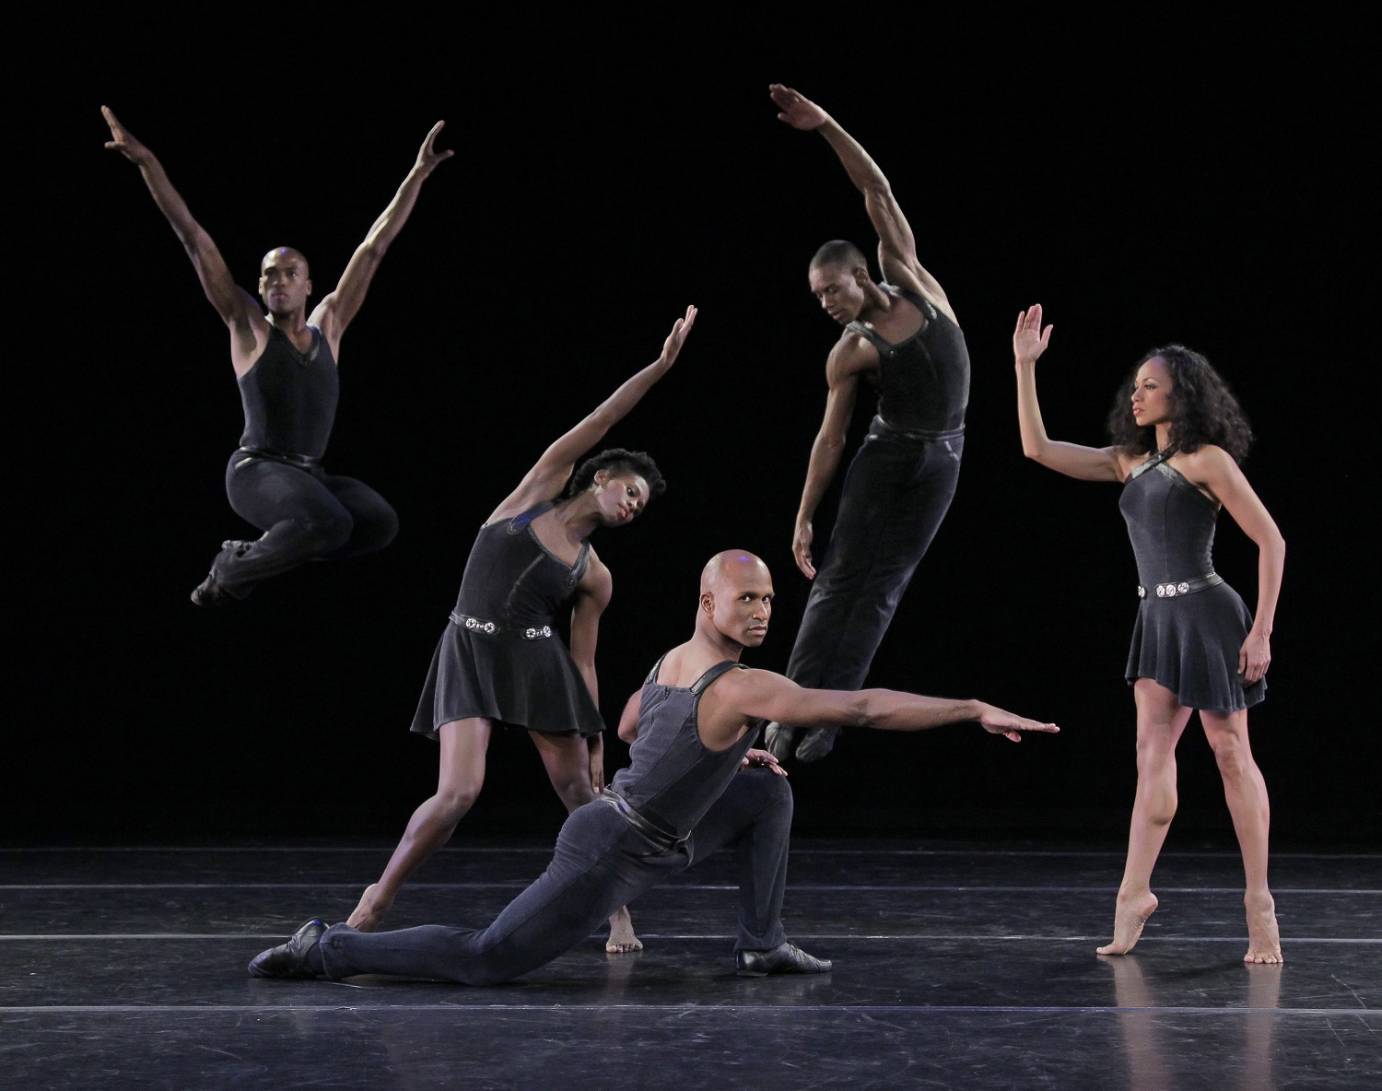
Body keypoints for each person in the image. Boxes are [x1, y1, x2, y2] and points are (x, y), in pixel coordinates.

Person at [249, 550, 1058, 985]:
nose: (762, 610)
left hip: (660, 831)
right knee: (486, 957)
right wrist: (968, 706)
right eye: (746, 599)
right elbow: (862, 707)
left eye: (769, 599)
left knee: (763, 795)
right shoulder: (744, 684)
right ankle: (327, 947)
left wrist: (729, 753)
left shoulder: (678, 658)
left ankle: (761, 943)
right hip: (610, 848)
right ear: (708, 603)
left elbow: (637, 724)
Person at [344, 308, 697, 955]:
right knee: (456, 793)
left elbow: (583, 659)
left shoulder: (597, 575)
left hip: (538, 664)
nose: (633, 504)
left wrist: (591, 730)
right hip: (469, 648)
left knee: (581, 793)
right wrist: (661, 366)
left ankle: (617, 914)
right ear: (601, 476)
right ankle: (375, 900)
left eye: (641, 505)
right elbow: (604, 418)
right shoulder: (537, 490)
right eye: (630, 490)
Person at [1011, 304, 1285, 964]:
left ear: (1180, 395)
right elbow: (1037, 449)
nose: (1136, 394)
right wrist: (1024, 368)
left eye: (1149, 385)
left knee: (1228, 751)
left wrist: (1263, 632)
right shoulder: (1128, 462)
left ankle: (1259, 905)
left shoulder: (1207, 459)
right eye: (1134, 386)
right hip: (1157, 620)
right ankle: (1134, 895)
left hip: (1211, 614)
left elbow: (1272, 539)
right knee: (1151, 754)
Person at [100, 107, 452, 605]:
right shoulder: (247, 326)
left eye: (290, 273)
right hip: (255, 471)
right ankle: (230, 570)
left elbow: (374, 247)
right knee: (327, 521)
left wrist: (416, 176)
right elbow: (194, 240)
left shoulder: (330, 322)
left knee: (377, 524)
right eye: (269, 274)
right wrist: (148, 163)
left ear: (308, 285)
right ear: (261, 286)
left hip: (310, 474)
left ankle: (264, 549)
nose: (278, 281)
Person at [761, 85, 971, 764]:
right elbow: (830, 437)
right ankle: (787, 708)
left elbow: (874, 185)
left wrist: (824, 125)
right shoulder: (850, 349)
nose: (824, 303)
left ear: (858, 272)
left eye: (830, 289)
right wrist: (803, 514)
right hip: (885, 456)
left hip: (942, 457)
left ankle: (833, 716)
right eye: (816, 296)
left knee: (886, 586)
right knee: (840, 577)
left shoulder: (911, 276)